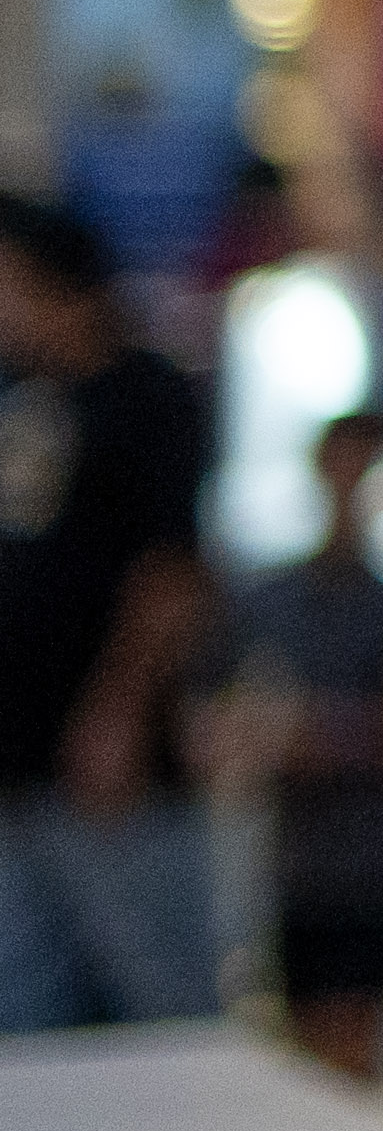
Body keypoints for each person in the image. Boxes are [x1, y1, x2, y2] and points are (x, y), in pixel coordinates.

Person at [0, 187, 214, 1033]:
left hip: (106, 767)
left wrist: (118, 711)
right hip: (18, 757)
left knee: (156, 991)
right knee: (27, 1006)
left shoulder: (144, 396)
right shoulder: (21, 398)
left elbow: (171, 575)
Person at [218, 410, 383, 1079]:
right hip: (299, 856)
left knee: (358, 1048)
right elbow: (243, 719)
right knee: (305, 1049)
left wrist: (315, 733)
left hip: (369, 853)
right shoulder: (274, 598)